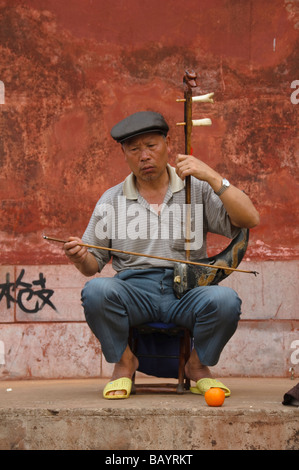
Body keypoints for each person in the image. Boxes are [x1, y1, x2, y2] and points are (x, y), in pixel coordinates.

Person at [63, 111, 259, 399]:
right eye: (134, 149)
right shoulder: (111, 200)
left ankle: (198, 366)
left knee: (225, 300)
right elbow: (92, 267)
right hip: (133, 290)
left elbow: (250, 218)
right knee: (96, 291)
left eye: (151, 146)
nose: (144, 156)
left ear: (168, 144)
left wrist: (213, 177)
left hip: (188, 291)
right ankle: (125, 362)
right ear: (124, 154)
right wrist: (80, 257)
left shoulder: (196, 188)